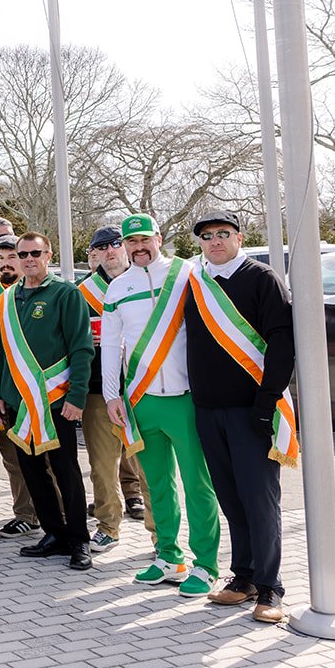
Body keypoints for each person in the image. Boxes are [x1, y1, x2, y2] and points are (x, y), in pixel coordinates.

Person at [183, 211, 296, 625]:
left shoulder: (261, 277)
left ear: (239, 237)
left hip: (252, 408)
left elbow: (283, 340)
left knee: (260, 498)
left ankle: (271, 586)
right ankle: (244, 576)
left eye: (223, 234)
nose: (215, 241)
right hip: (208, 408)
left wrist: (267, 401)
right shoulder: (195, 283)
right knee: (231, 498)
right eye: (207, 236)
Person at [101, 214, 221, 598]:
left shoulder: (188, 273)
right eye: (130, 241)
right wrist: (111, 395)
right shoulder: (118, 287)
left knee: (198, 485)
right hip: (141, 400)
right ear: (123, 245)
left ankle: (207, 565)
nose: (138, 247)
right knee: (157, 484)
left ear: (159, 238)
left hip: (186, 399)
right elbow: (109, 346)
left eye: (144, 239)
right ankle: (169, 555)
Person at [0, 232, 94, 572]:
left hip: (56, 402)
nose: (28, 259)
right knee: (33, 472)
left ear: (48, 254)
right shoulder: (7, 299)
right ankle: (53, 534)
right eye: (22, 254)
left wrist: (77, 397)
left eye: (35, 253)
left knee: (66, 473)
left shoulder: (65, 293)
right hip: (17, 404)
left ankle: (79, 539)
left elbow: (82, 349)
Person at [77, 226, 153, 552]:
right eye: (102, 247)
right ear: (94, 254)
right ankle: (108, 526)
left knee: (152, 466)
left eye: (116, 244)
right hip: (98, 391)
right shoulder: (83, 292)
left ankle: (160, 532)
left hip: (142, 388)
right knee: (102, 467)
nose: (110, 251)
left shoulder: (148, 284)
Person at [0, 238, 42, 540]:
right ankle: (25, 514)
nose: (6, 262)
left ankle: (50, 512)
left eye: (12, 257)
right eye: (1, 257)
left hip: (37, 388)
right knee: (13, 456)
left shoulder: (37, 292)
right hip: (3, 387)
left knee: (45, 455)